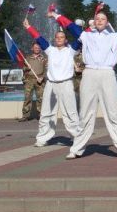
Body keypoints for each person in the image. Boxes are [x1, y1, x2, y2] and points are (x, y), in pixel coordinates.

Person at [53, 9, 117, 159]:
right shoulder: (85, 35)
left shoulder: (115, 37)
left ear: (107, 23)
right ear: (94, 22)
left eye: (103, 19)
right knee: (85, 114)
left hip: (107, 74)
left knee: (113, 114)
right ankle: (76, 149)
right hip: (90, 74)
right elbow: (69, 26)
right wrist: (56, 15)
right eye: (97, 19)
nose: (100, 21)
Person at [24, 15, 84, 149]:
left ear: (66, 40)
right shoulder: (50, 50)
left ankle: (77, 137)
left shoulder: (71, 51)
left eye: (62, 37)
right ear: (55, 39)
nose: (59, 39)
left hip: (66, 84)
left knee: (70, 113)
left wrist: (86, 28)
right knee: (46, 112)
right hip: (51, 84)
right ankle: (42, 138)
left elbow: (81, 38)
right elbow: (39, 38)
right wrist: (29, 27)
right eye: (57, 37)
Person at [19, 43, 47, 121]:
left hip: (40, 80)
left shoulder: (44, 59)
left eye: (38, 47)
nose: (37, 48)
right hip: (29, 80)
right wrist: (27, 68)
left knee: (40, 98)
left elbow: (47, 69)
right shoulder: (27, 59)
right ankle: (25, 115)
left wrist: (42, 77)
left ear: (40, 49)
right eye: (35, 47)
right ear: (32, 49)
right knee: (27, 98)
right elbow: (23, 69)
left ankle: (41, 115)